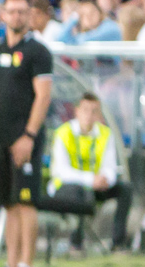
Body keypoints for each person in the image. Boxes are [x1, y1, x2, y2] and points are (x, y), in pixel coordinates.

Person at [0, 0, 55, 267]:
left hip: (25, 136)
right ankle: (10, 265)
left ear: (30, 15)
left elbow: (43, 96)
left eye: (23, 11)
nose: (18, 16)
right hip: (1, 134)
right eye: (12, 11)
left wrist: (30, 135)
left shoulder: (37, 52)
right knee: (8, 203)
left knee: (26, 202)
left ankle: (26, 265)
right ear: (3, 14)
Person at [46, 93, 132, 253]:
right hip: (65, 188)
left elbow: (111, 167)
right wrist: (90, 179)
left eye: (94, 111)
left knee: (125, 189)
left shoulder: (105, 134)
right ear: (77, 111)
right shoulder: (63, 133)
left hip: (95, 186)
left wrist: (105, 179)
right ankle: (76, 245)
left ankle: (118, 244)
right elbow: (61, 171)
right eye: (86, 110)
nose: (89, 115)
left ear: (99, 115)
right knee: (80, 192)